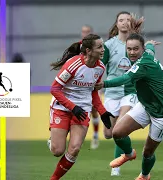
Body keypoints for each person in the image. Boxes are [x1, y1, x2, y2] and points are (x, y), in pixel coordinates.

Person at [95, 33, 163, 180]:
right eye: (129, 49)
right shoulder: (146, 53)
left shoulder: (143, 63)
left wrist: (104, 84)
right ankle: (128, 154)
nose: (132, 52)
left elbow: (126, 78)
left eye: (135, 49)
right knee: (117, 132)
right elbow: (151, 49)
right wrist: (150, 44)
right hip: (146, 106)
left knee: (147, 152)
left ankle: (144, 176)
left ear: (141, 50)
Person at [48, 34, 114, 180]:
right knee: (57, 151)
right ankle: (52, 139)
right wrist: (72, 107)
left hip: (82, 110)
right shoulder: (73, 65)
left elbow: (94, 92)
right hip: (62, 108)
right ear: (89, 51)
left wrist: (102, 112)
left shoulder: (100, 68)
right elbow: (55, 89)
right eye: (100, 47)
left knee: (75, 149)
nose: (103, 49)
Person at [101, 11, 143, 176]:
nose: (125, 22)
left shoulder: (137, 44)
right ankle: (128, 150)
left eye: (128, 20)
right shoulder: (109, 45)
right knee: (108, 134)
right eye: (121, 20)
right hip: (111, 92)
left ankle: (116, 167)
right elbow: (100, 67)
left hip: (130, 92)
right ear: (116, 24)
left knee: (120, 128)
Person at [79, 24, 101, 150]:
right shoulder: (78, 47)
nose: (85, 33)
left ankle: (96, 136)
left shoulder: (96, 48)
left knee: (93, 111)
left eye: (87, 31)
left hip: (91, 84)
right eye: (83, 31)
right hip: (79, 85)